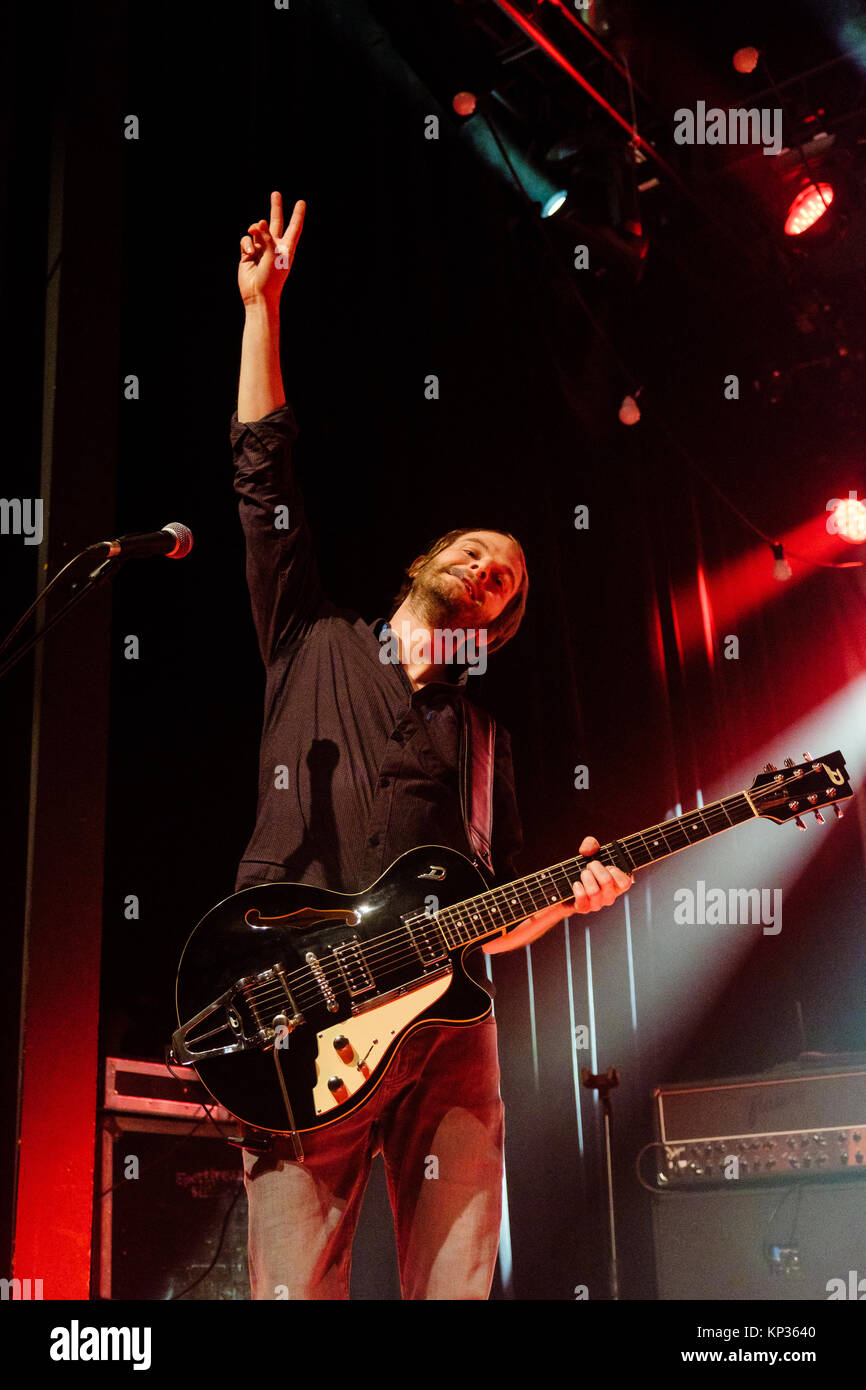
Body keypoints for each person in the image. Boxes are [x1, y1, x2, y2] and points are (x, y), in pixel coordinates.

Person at [232, 191, 633, 1300]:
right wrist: (262, 310)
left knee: (455, 1284)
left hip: (445, 1033)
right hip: (304, 1006)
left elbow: (491, 908)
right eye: (470, 550)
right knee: (289, 1284)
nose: (483, 568)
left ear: (496, 622)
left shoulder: (484, 740)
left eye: (502, 575)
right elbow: (261, 478)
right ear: (426, 560)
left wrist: (572, 896)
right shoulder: (307, 639)